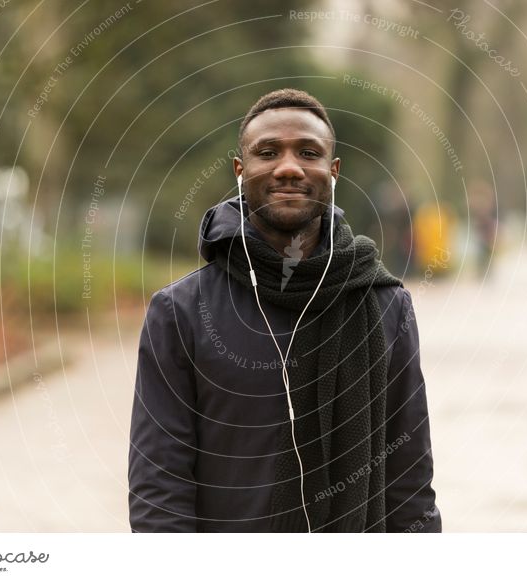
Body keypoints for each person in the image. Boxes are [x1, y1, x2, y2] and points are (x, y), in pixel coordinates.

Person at [128, 88, 441, 533]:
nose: (289, 167)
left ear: (333, 172)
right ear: (241, 170)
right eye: (268, 152)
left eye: (308, 153)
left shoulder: (385, 305)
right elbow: (159, 482)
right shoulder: (179, 312)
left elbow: (409, 479)